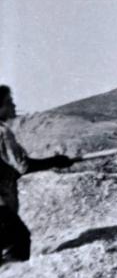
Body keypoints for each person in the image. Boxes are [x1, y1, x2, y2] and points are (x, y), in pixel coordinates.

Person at [0, 85, 73, 265]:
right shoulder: (2, 132)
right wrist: (55, 162)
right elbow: (23, 166)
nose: (14, 105)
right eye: (9, 102)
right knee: (19, 240)